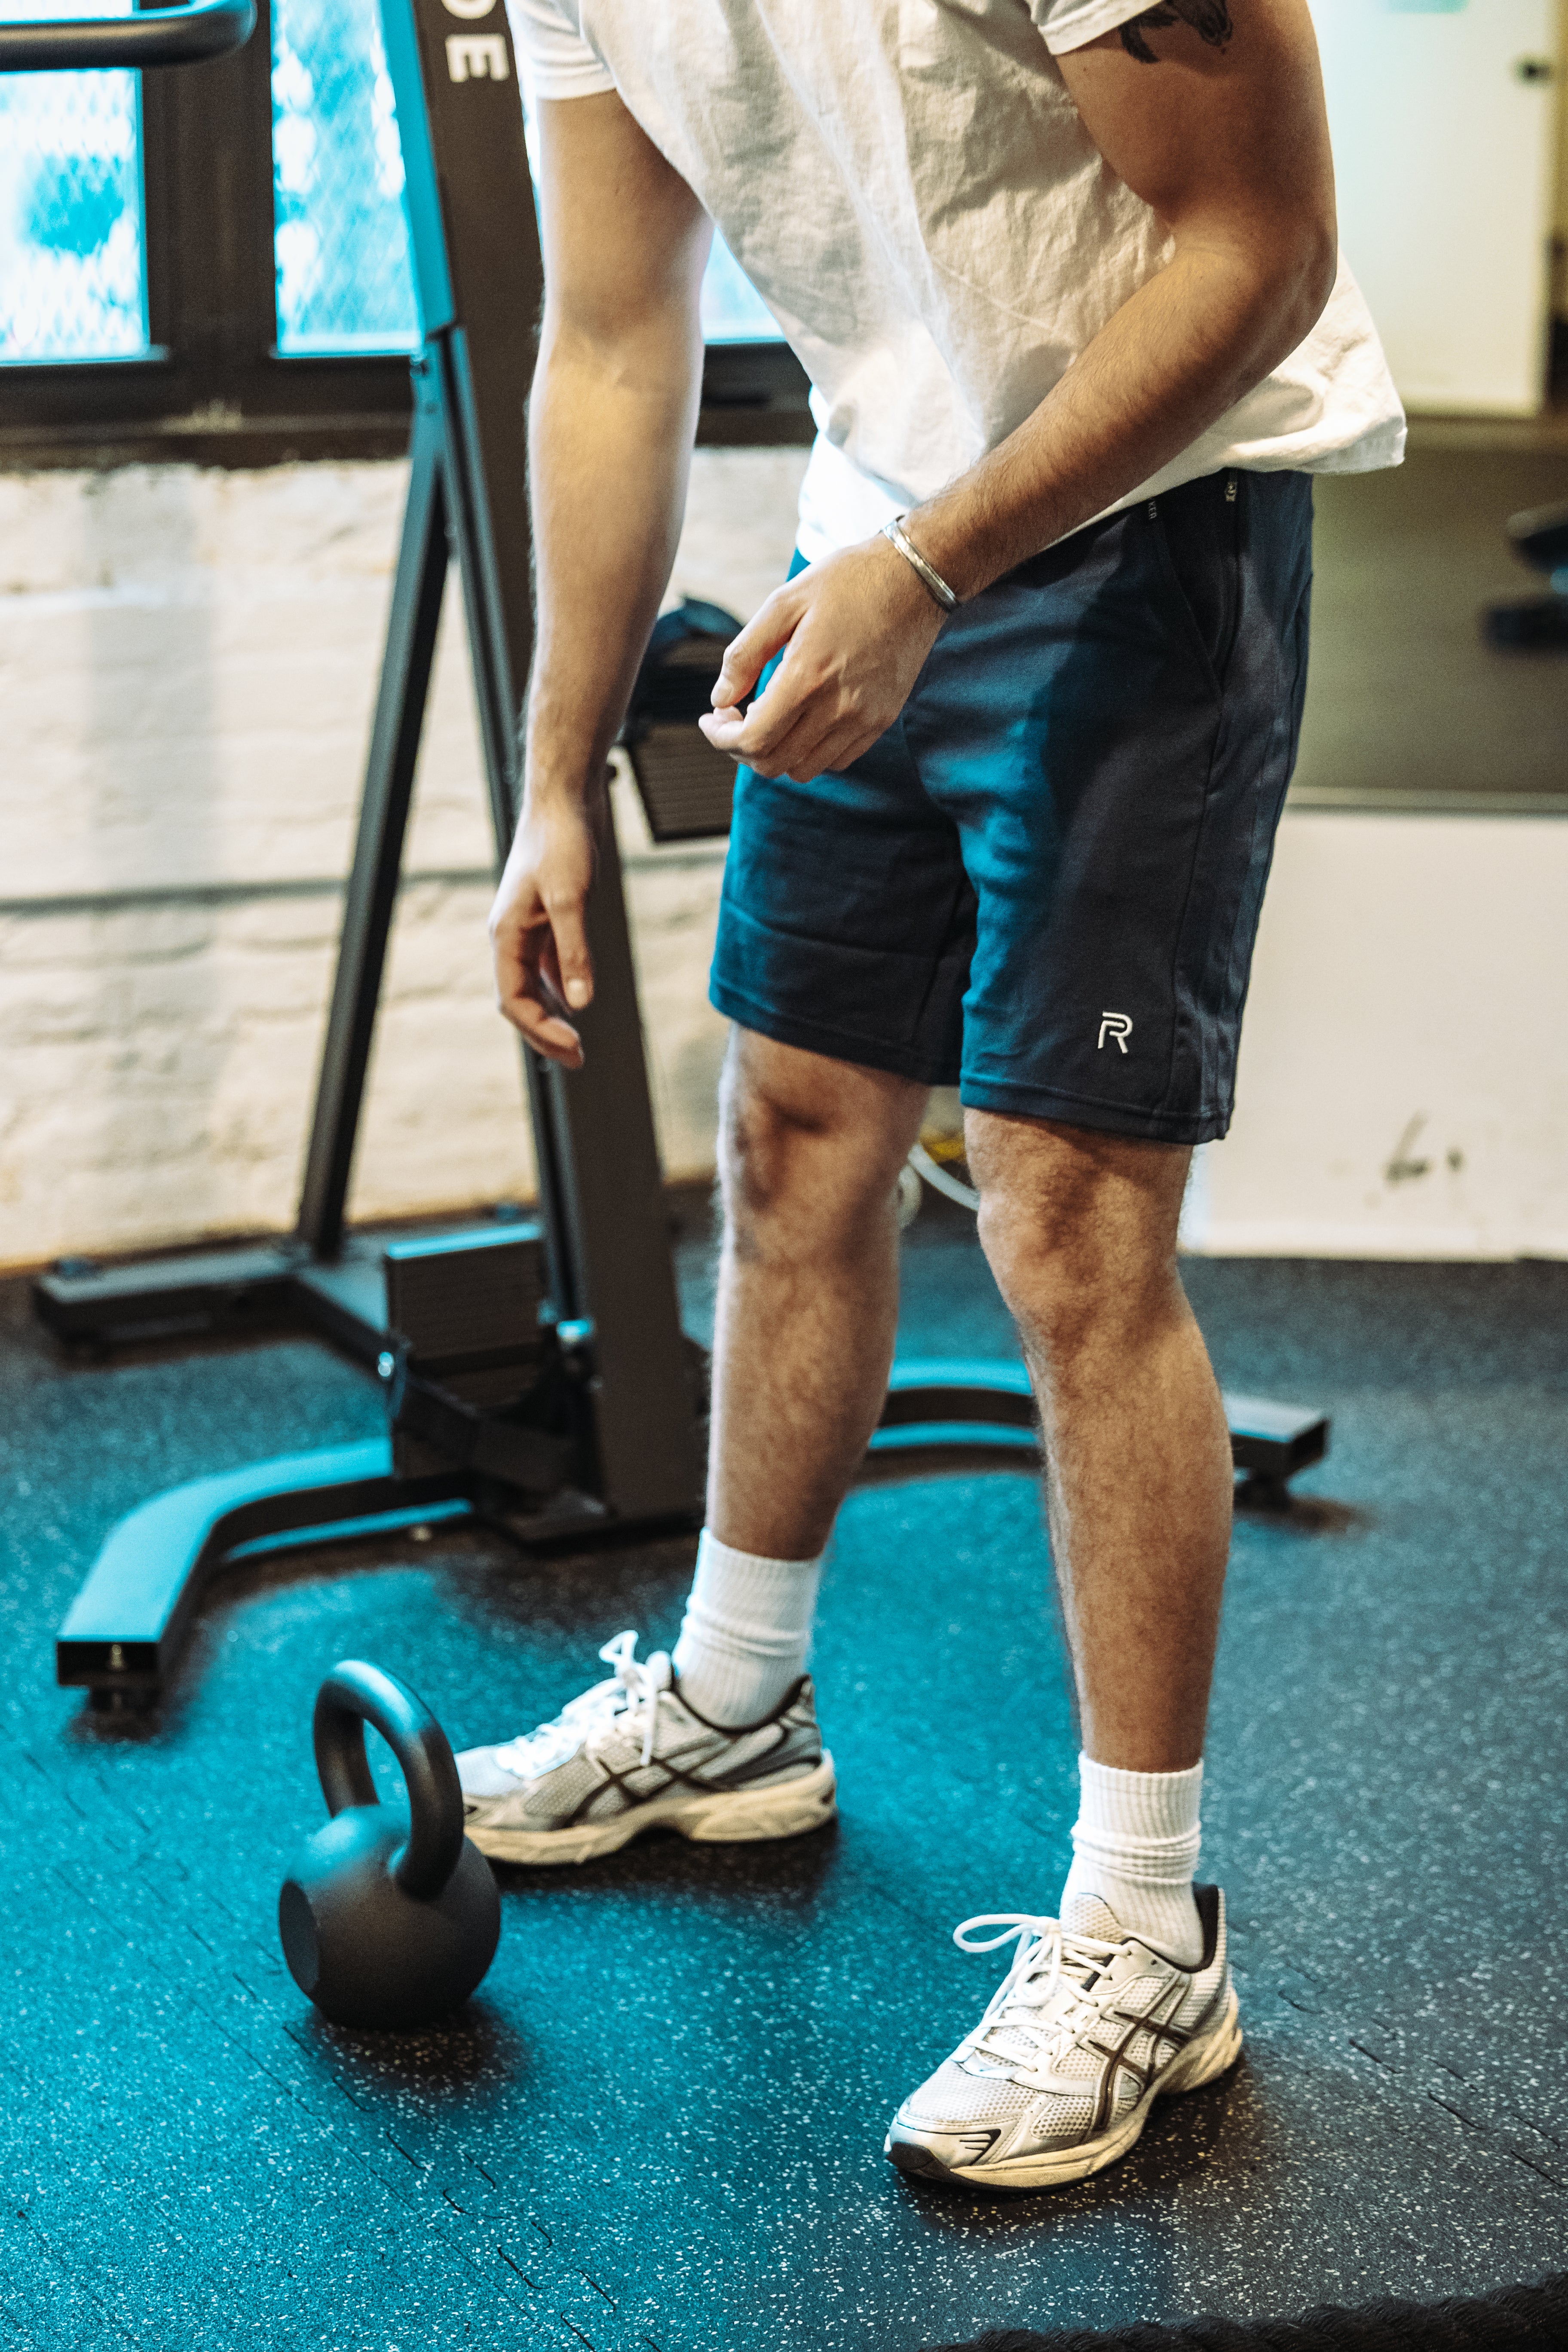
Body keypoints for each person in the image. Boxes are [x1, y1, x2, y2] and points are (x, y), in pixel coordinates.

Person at [456, 0, 1403, 2192]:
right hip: (881, 523)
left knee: (1068, 1222)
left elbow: (1258, 245)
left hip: (1157, 518)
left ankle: (1151, 1927)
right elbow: (610, 333)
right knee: (795, 1135)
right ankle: (733, 1701)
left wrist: (928, 574)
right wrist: (553, 784)